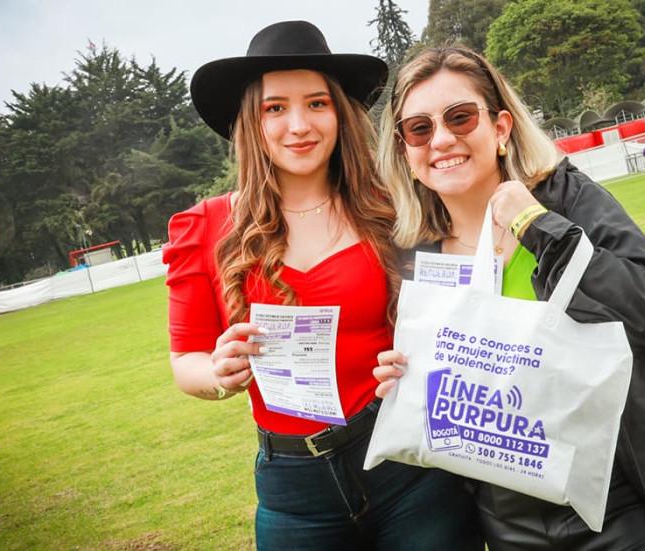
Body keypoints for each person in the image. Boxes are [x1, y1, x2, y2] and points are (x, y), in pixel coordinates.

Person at [375, 45, 645, 551]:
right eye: (420, 128)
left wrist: (535, 225)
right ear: (406, 149)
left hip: (622, 497)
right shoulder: (414, 254)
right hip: (507, 514)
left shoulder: (563, 199)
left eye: (460, 117)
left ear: (500, 128)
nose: (442, 139)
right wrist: (405, 379)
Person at [163, 21, 481, 549]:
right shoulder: (201, 226)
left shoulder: (392, 205)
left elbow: (457, 310)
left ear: (339, 111)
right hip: (294, 490)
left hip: (409, 463)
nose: (299, 125)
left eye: (316, 103)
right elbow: (185, 363)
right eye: (275, 108)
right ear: (251, 121)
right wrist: (218, 372)